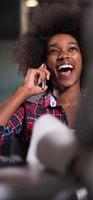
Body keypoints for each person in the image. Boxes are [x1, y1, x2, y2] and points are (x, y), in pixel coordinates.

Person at [0, 3, 87, 164]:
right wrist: (24, 90)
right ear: (44, 62)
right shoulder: (30, 111)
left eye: (72, 49)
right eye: (54, 51)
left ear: (83, 58)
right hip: (46, 187)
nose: (63, 55)